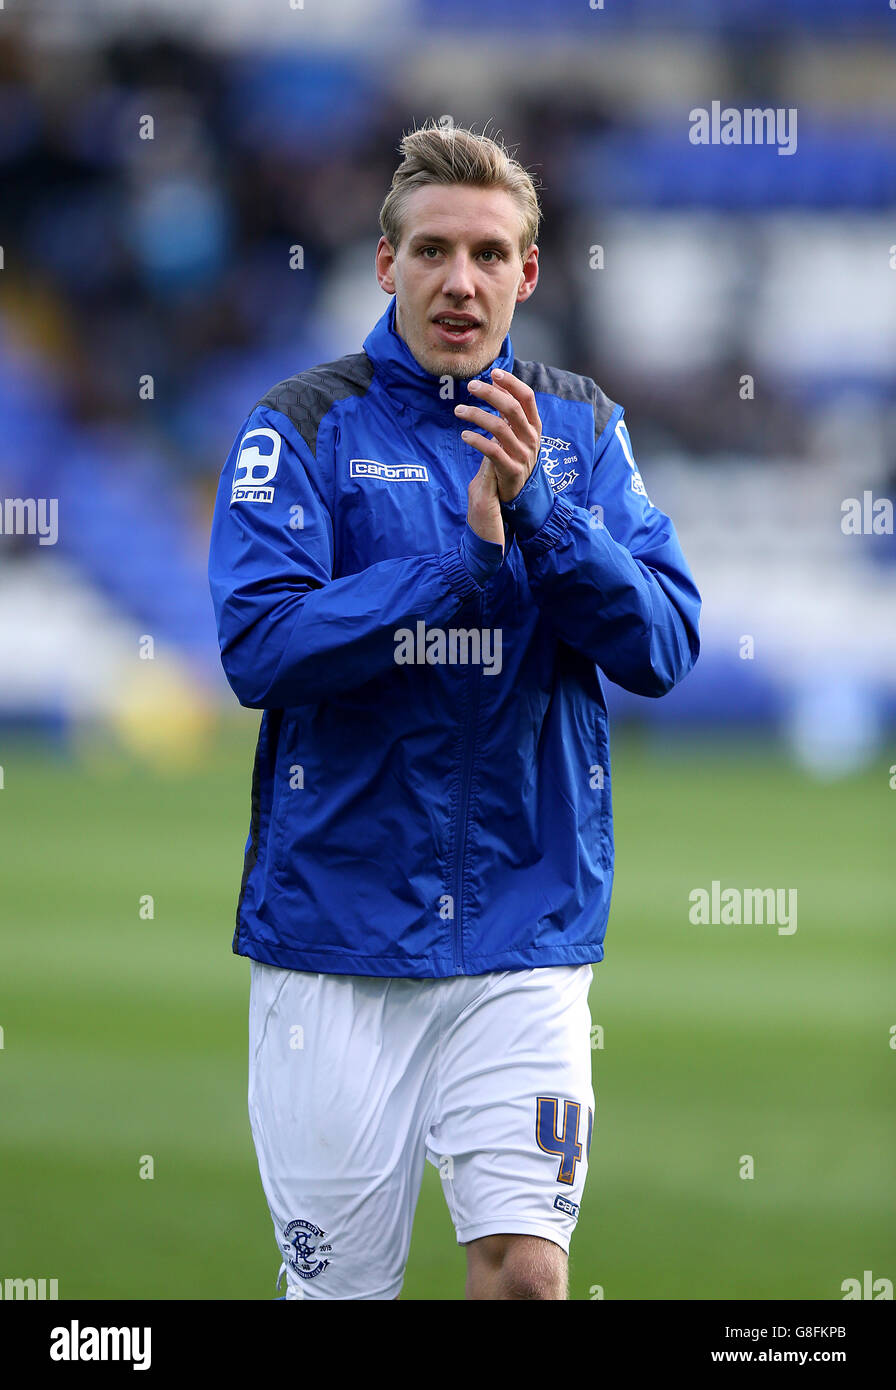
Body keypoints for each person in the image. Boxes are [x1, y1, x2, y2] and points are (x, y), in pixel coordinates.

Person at [207, 121, 701, 1301]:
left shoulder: (579, 430)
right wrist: (458, 564)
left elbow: (663, 642)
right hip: (337, 938)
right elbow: (258, 644)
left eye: (489, 254)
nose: (460, 281)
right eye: (432, 251)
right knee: (340, 1296)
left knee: (527, 1276)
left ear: (528, 272)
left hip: (525, 929)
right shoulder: (302, 426)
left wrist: (543, 518)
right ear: (385, 265)